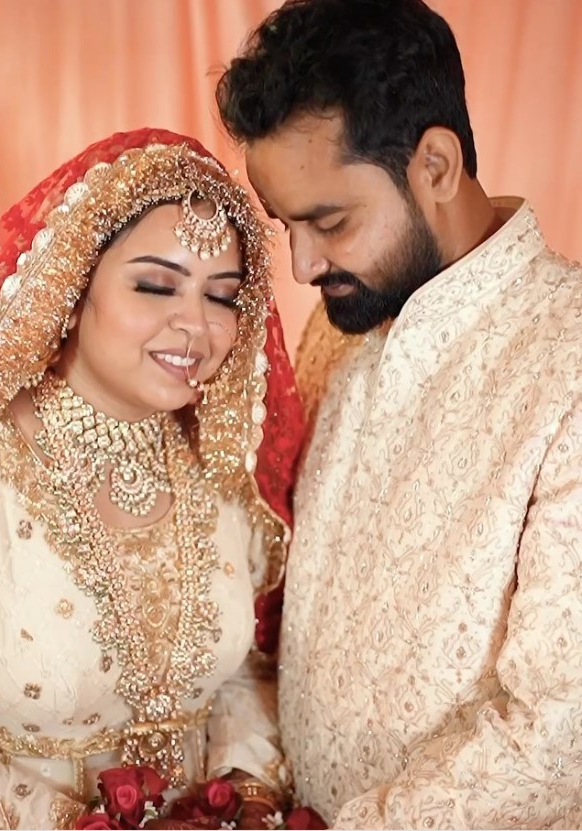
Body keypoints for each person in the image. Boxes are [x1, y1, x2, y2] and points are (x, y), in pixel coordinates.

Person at [217, 0, 582, 828]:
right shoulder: (337, 335)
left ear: (437, 165)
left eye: (330, 221)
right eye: (287, 225)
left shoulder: (566, 356)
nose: (302, 264)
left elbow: (560, 734)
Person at [0, 127, 304, 830]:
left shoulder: (222, 473)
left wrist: (246, 791)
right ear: (74, 287)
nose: (195, 326)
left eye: (223, 297)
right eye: (155, 285)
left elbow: (242, 672)